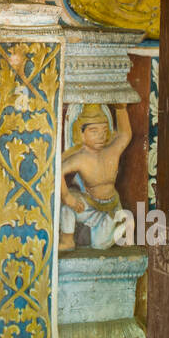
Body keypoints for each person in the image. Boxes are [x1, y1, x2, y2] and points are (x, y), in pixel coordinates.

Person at [58, 104, 130, 251]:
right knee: (67, 208)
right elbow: (57, 171)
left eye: (104, 131)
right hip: (89, 205)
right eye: (94, 131)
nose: (101, 136)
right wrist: (67, 197)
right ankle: (67, 241)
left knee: (99, 245)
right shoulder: (80, 158)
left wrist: (121, 109)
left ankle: (123, 221)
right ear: (81, 134)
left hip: (111, 208)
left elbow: (125, 135)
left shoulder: (112, 152)